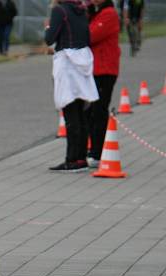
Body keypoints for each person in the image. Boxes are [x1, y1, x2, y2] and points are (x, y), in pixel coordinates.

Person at [45, 0, 99, 172]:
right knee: (81, 113)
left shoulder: (59, 10)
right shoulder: (82, 10)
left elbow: (49, 39)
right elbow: (87, 37)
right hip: (82, 62)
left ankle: (71, 159)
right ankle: (81, 158)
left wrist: (47, 28)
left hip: (67, 63)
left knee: (70, 113)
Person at [86, 0, 121, 169]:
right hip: (95, 69)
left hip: (105, 70)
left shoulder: (109, 14)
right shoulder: (96, 12)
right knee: (91, 111)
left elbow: (90, 36)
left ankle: (97, 153)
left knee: (98, 111)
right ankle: (92, 150)